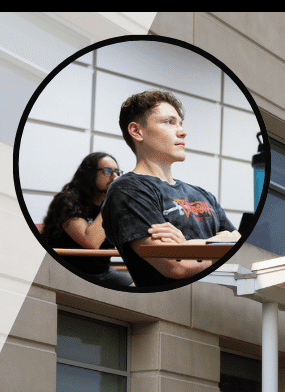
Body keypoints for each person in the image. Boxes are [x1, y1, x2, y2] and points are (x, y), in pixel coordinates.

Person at [101, 89, 239, 288]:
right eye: (169, 122)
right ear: (137, 131)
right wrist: (224, 243)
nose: (182, 131)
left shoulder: (203, 194)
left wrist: (190, 246)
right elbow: (177, 266)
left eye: (180, 123)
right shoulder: (127, 191)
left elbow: (240, 246)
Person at [40, 152, 133, 288]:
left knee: (138, 288)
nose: (115, 177)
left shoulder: (110, 205)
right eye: (107, 171)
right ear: (90, 174)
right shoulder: (67, 201)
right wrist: (112, 199)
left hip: (102, 272)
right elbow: (91, 242)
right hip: (68, 272)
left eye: (117, 172)